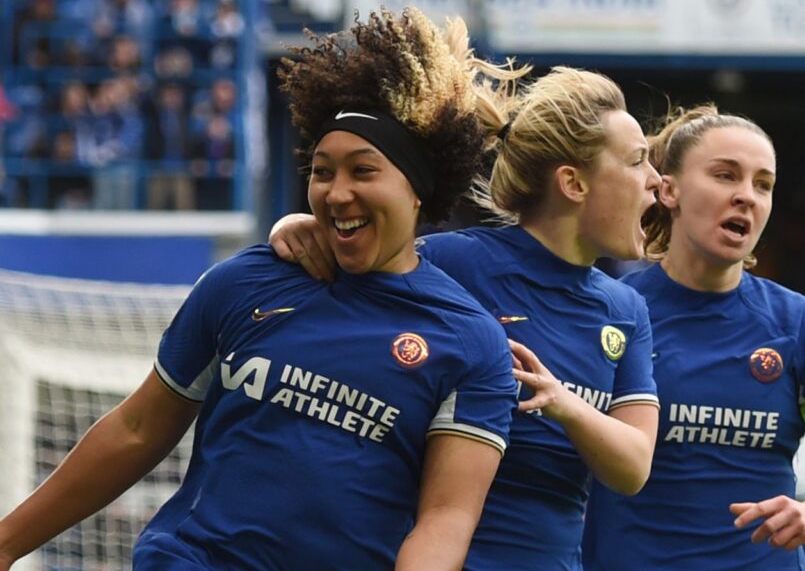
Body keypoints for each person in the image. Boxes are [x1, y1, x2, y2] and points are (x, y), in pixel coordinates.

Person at [0, 8, 520, 571]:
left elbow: (445, 520)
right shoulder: (245, 279)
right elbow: (135, 429)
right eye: (323, 171)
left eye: (363, 171)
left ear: (418, 190)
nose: (336, 192)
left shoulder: (471, 344)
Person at [270, 66, 662, 570]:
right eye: (636, 162)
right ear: (573, 183)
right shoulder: (453, 263)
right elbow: (354, 259)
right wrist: (301, 226)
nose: (655, 180)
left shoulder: (625, 309)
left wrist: (564, 403)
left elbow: (633, 467)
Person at [581, 104, 805, 570]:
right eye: (726, 176)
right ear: (670, 191)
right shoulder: (608, 313)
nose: (747, 196)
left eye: (762, 184)